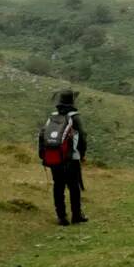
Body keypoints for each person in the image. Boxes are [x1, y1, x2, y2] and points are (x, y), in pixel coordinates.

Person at [38, 88, 88, 226]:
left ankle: (61, 217)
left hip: (55, 157)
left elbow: (43, 135)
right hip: (71, 158)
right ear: (72, 101)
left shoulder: (52, 116)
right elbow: (83, 136)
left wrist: (43, 155)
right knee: (73, 187)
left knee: (58, 186)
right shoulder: (75, 117)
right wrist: (82, 154)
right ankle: (76, 215)